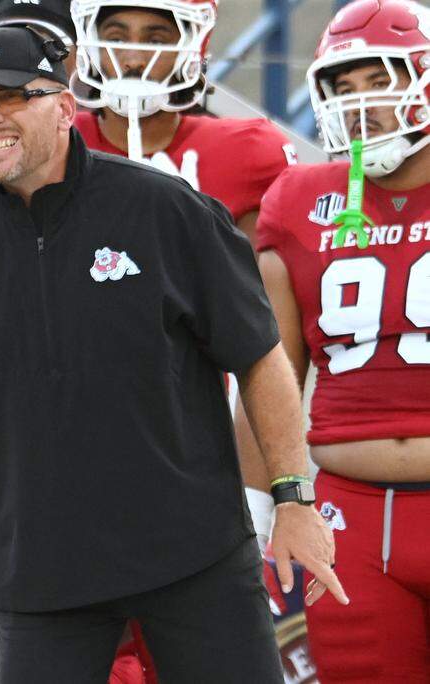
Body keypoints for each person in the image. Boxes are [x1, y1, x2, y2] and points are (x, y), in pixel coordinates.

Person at [0, 24, 349, 682]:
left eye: (8, 97)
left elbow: (259, 357)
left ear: (63, 105)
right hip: (37, 573)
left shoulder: (165, 208)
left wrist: (293, 499)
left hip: (190, 554)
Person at [237, 0, 430, 680]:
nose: (358, 105)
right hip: (349, 512)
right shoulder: (298, 199)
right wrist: (257, 514)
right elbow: (270, 375)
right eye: (341, 88)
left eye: (375, 80)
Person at [68, 0, 295, 242]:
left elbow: (259, 278)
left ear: (190, 48)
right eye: (116, 40)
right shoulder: (57, 144)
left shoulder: (248, 150)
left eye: (156, 42)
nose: (133, 61)